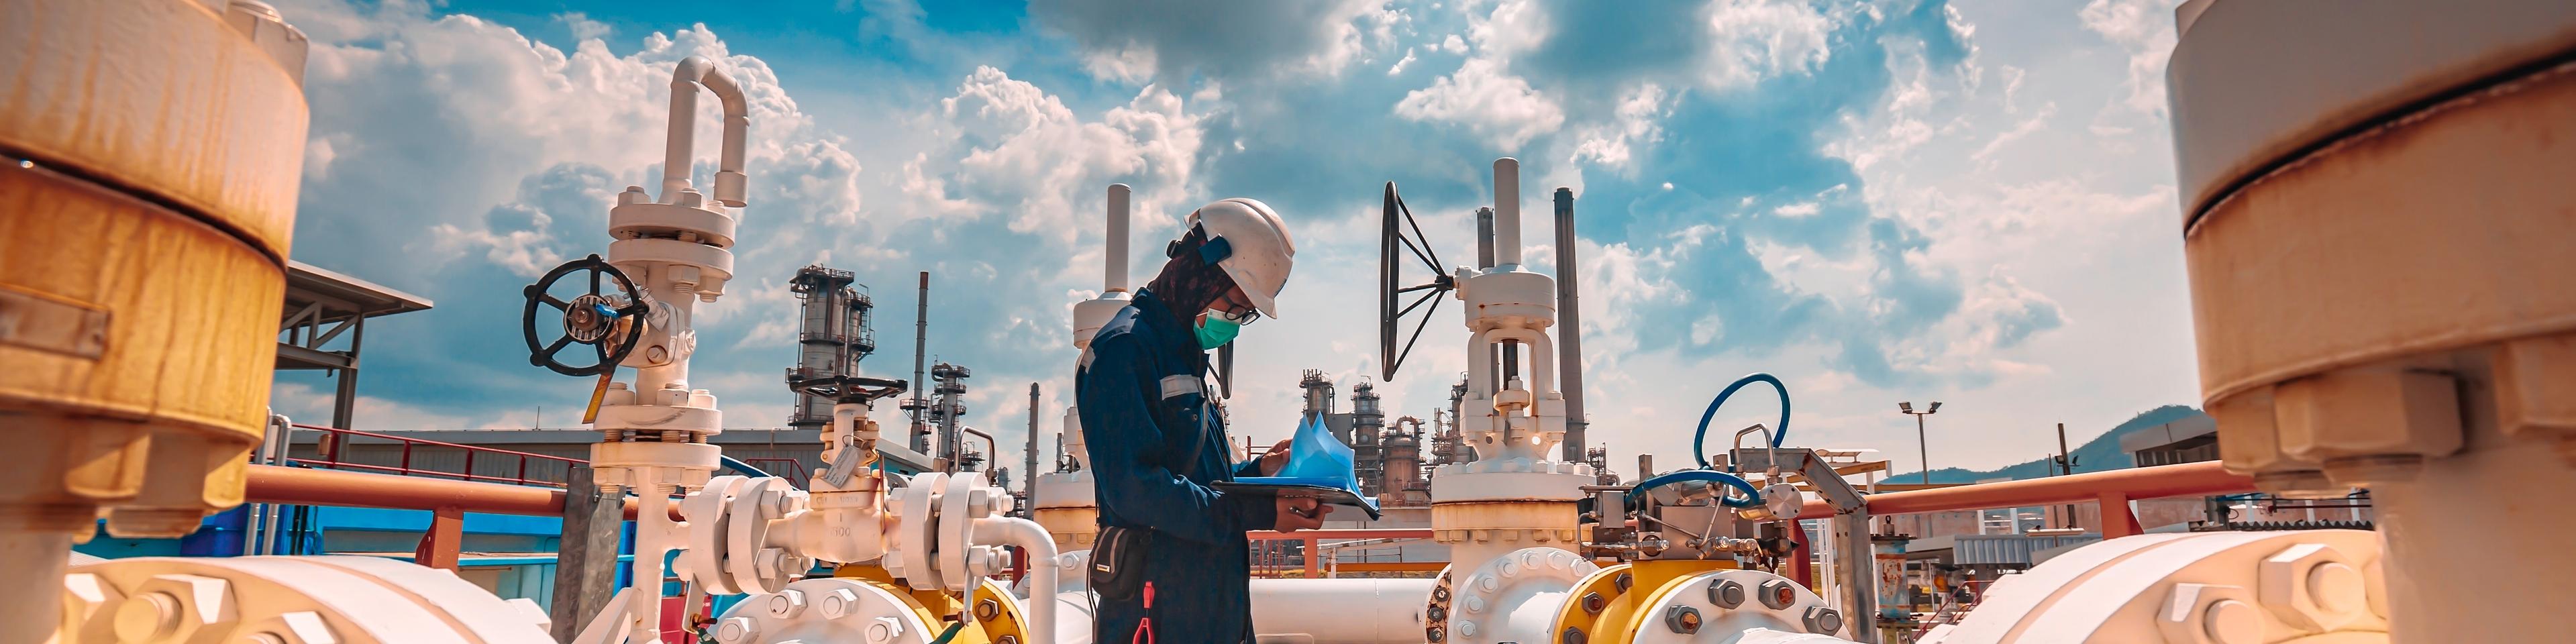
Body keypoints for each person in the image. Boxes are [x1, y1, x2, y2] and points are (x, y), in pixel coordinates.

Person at [1078, 198, 1326, 643]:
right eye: (1236, 307)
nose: (1234, 323)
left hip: (1209, 602)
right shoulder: (1125, 350)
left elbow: (1198, 479)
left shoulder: (1185, 354)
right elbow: (1137, 490)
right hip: (1156, 607)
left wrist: (1260, 475)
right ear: (1203, 272)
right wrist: (1260, 510)